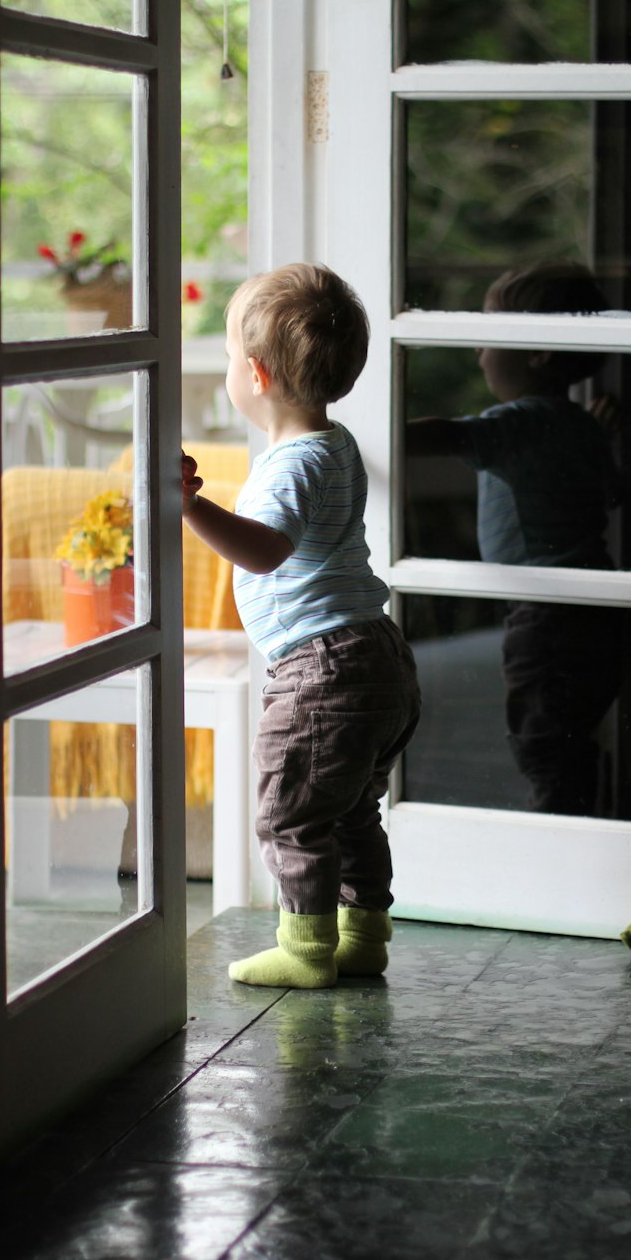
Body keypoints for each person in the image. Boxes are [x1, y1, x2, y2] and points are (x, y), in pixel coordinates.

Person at [182, 263, 421, 988]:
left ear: (254, 374)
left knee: (289, 814)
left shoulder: (291, 465)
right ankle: (364, 935)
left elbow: (266, 550)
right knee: (351, 812)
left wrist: (188, 507)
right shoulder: (335, 443)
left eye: (227, 355)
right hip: (377, 654)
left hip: (323, 669)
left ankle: (307, 949)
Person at [407, 263, 623, 816]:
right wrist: (596, 434)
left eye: (490, 335)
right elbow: (613, 492)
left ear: (538, 353)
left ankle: (555, 826)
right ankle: (580, 810)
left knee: (540, 737)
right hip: (595, 607)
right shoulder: (580, 426)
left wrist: (372, 429)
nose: (478, 349)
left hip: (546, 616)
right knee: (569, 734)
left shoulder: (518, 422)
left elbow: (449, 434)